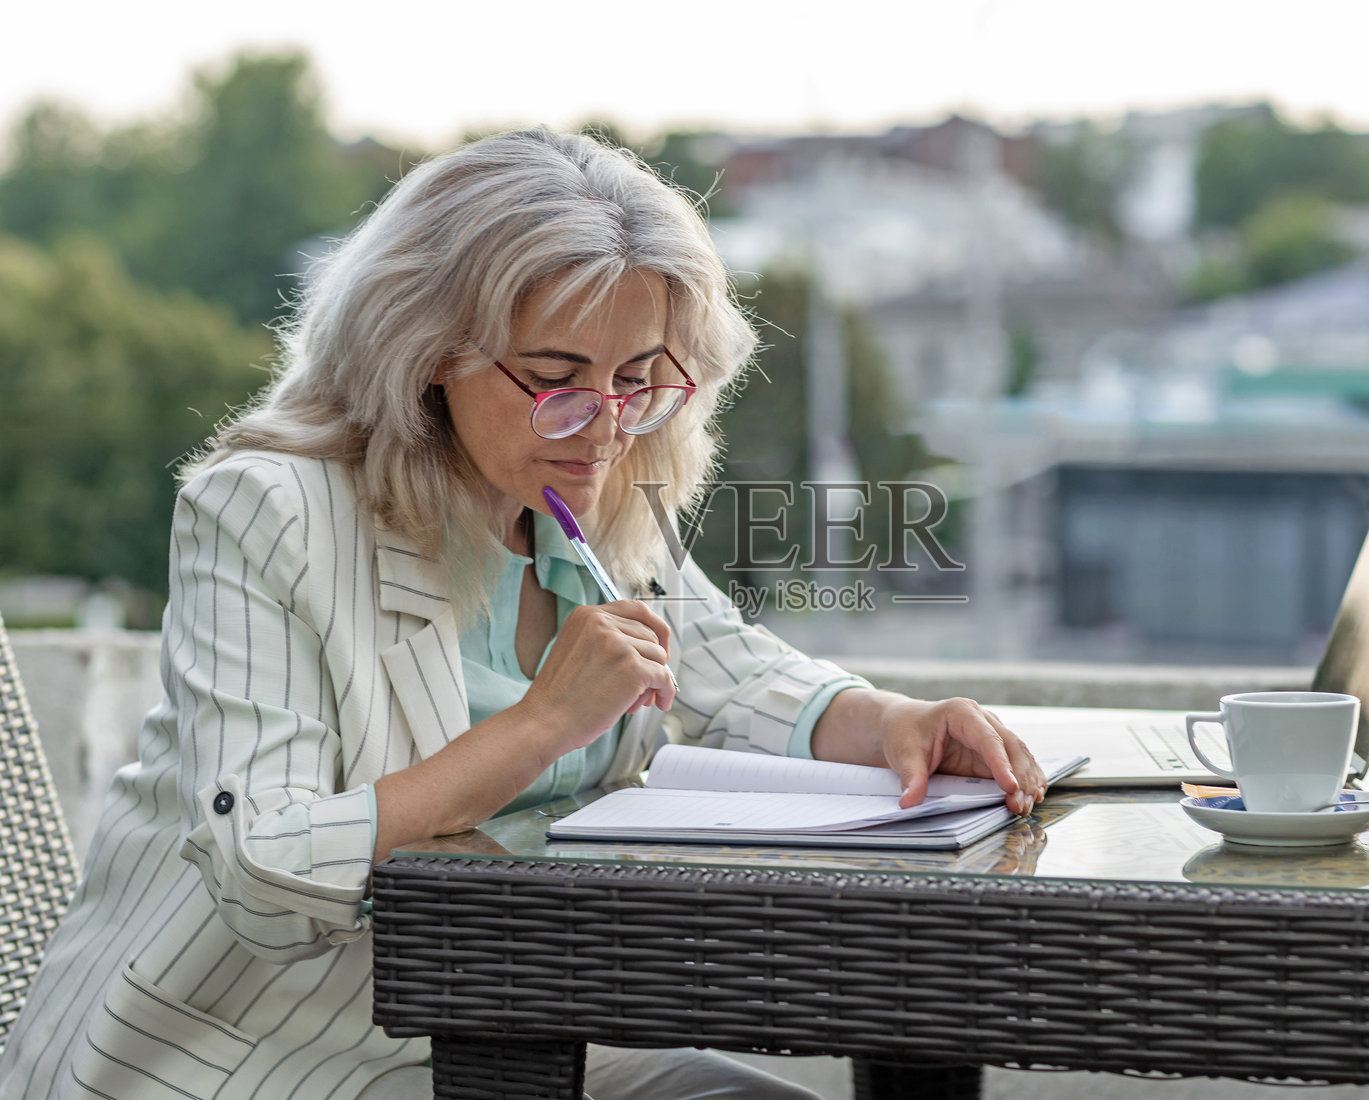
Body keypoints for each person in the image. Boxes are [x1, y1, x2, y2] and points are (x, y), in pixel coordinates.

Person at [0, 127, 1047, 1100]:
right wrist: (541, 724)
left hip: (529, 1023)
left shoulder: (586, 494)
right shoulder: (265, 511)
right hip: (259, 1050)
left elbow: (740, 672)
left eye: (638, 380)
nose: (603, 424)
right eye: (555, 380)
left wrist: (894, 719)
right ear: (425, 351)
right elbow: (261, 869)